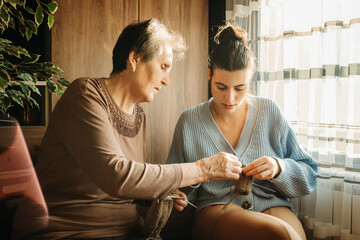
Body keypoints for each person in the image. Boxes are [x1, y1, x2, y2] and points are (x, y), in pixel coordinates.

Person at [11, 18, 243, 240]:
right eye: (163, 67)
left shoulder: (138, 115)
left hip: (124, 230)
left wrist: (160, 194)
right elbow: (116, 176)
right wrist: (202, 169)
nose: (166, 80)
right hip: (68, 231)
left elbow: (129, 186)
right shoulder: (85, 95)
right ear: (135, 58)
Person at [166, 23, 318, 240]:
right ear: (209, 75)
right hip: (216, 209)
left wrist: (278, 167)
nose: (230, 98)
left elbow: (309, 174)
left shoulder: (269, 111)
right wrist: (177, 195)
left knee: (294, 236)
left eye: (240, 88)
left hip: (271, 205)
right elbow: (171, 181)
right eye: (221, 87)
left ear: (251, 78)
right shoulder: (189, 121)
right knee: (282, 235)